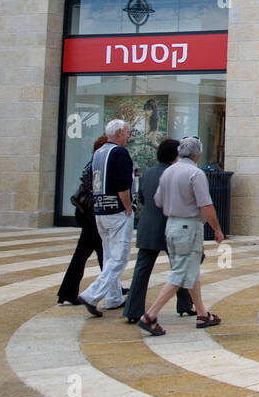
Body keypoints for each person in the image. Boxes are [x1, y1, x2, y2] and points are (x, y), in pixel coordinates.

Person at [137, 136, 225, 336]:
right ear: (197, 154)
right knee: (180, 273)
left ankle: (202, 313)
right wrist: (217, 229)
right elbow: (206, 205)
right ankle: (150, 316)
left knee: (189, 269)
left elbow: (158, 200)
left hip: (171, 225)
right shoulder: (195, 173)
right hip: (189, 226)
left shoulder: (168, 172)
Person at [123, 138, 193, 324]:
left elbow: (144, 197)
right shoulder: (175, 173)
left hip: (148, 225)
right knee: (180, 266)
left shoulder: (148, 173)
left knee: (142, 269)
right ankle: (185, 304)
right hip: (171, 225)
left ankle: (132, 309)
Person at [77, 120, 135, 317]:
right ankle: (92, 294)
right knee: (119, 257)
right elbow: (123, 183)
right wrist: (128, 207)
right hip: (116, 210)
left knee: (110, 254)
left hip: (100, 210)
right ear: (119, 132)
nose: (128, 135)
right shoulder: (119, 153)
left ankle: (114, 297)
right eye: (127, 132)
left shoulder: (99, 152)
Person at [57, 134, 106, 305]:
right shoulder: (97, 166)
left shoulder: (93, 163)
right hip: (91, 215)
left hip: (88, 214)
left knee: (101, 252)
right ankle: (67, 292)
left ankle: (112, 286)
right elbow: (96, 190)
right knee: (84, 254)